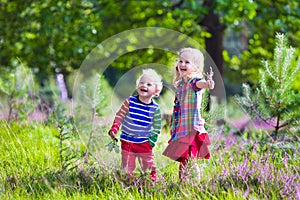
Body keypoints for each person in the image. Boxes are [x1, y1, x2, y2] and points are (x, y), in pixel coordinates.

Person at [162, 47, 215, 181]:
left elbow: (201, 84)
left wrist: (208, 83)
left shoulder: (193, 82)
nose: (182, 64)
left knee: (190, 160)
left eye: (187, 62)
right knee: (183, 160)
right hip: (181, 128)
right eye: (181, 61)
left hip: (191, 128)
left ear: (195, 67)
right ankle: (183, 184)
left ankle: (195, 185)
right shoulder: (180, 84)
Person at [108, 68, 163, 182]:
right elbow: (120, 116)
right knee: (127, 167)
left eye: (149, 84)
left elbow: (157, 127)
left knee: (148, 167)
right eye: (141, 83)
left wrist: (151, 141)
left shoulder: (155, 109)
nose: (144, 85)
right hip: (127, 141)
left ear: (156, 91)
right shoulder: (130, 102)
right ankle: (128, 184)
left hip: (144, 143)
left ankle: (150, 184)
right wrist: (114, 128)